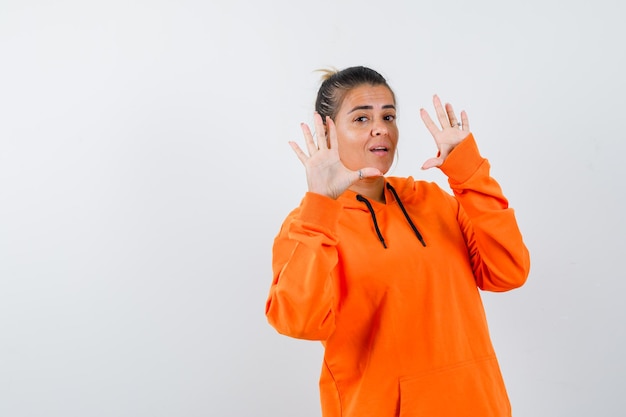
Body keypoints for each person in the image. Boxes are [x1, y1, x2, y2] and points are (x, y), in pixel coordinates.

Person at [265, 66, 530, 417]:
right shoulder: (309, 223)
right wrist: (321, 207)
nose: (381, 128)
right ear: (328, 132)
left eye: (388, 116)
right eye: (361, 118)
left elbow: (509, 271)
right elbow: (299, 321)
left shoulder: (432, 200)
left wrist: (468, 173)